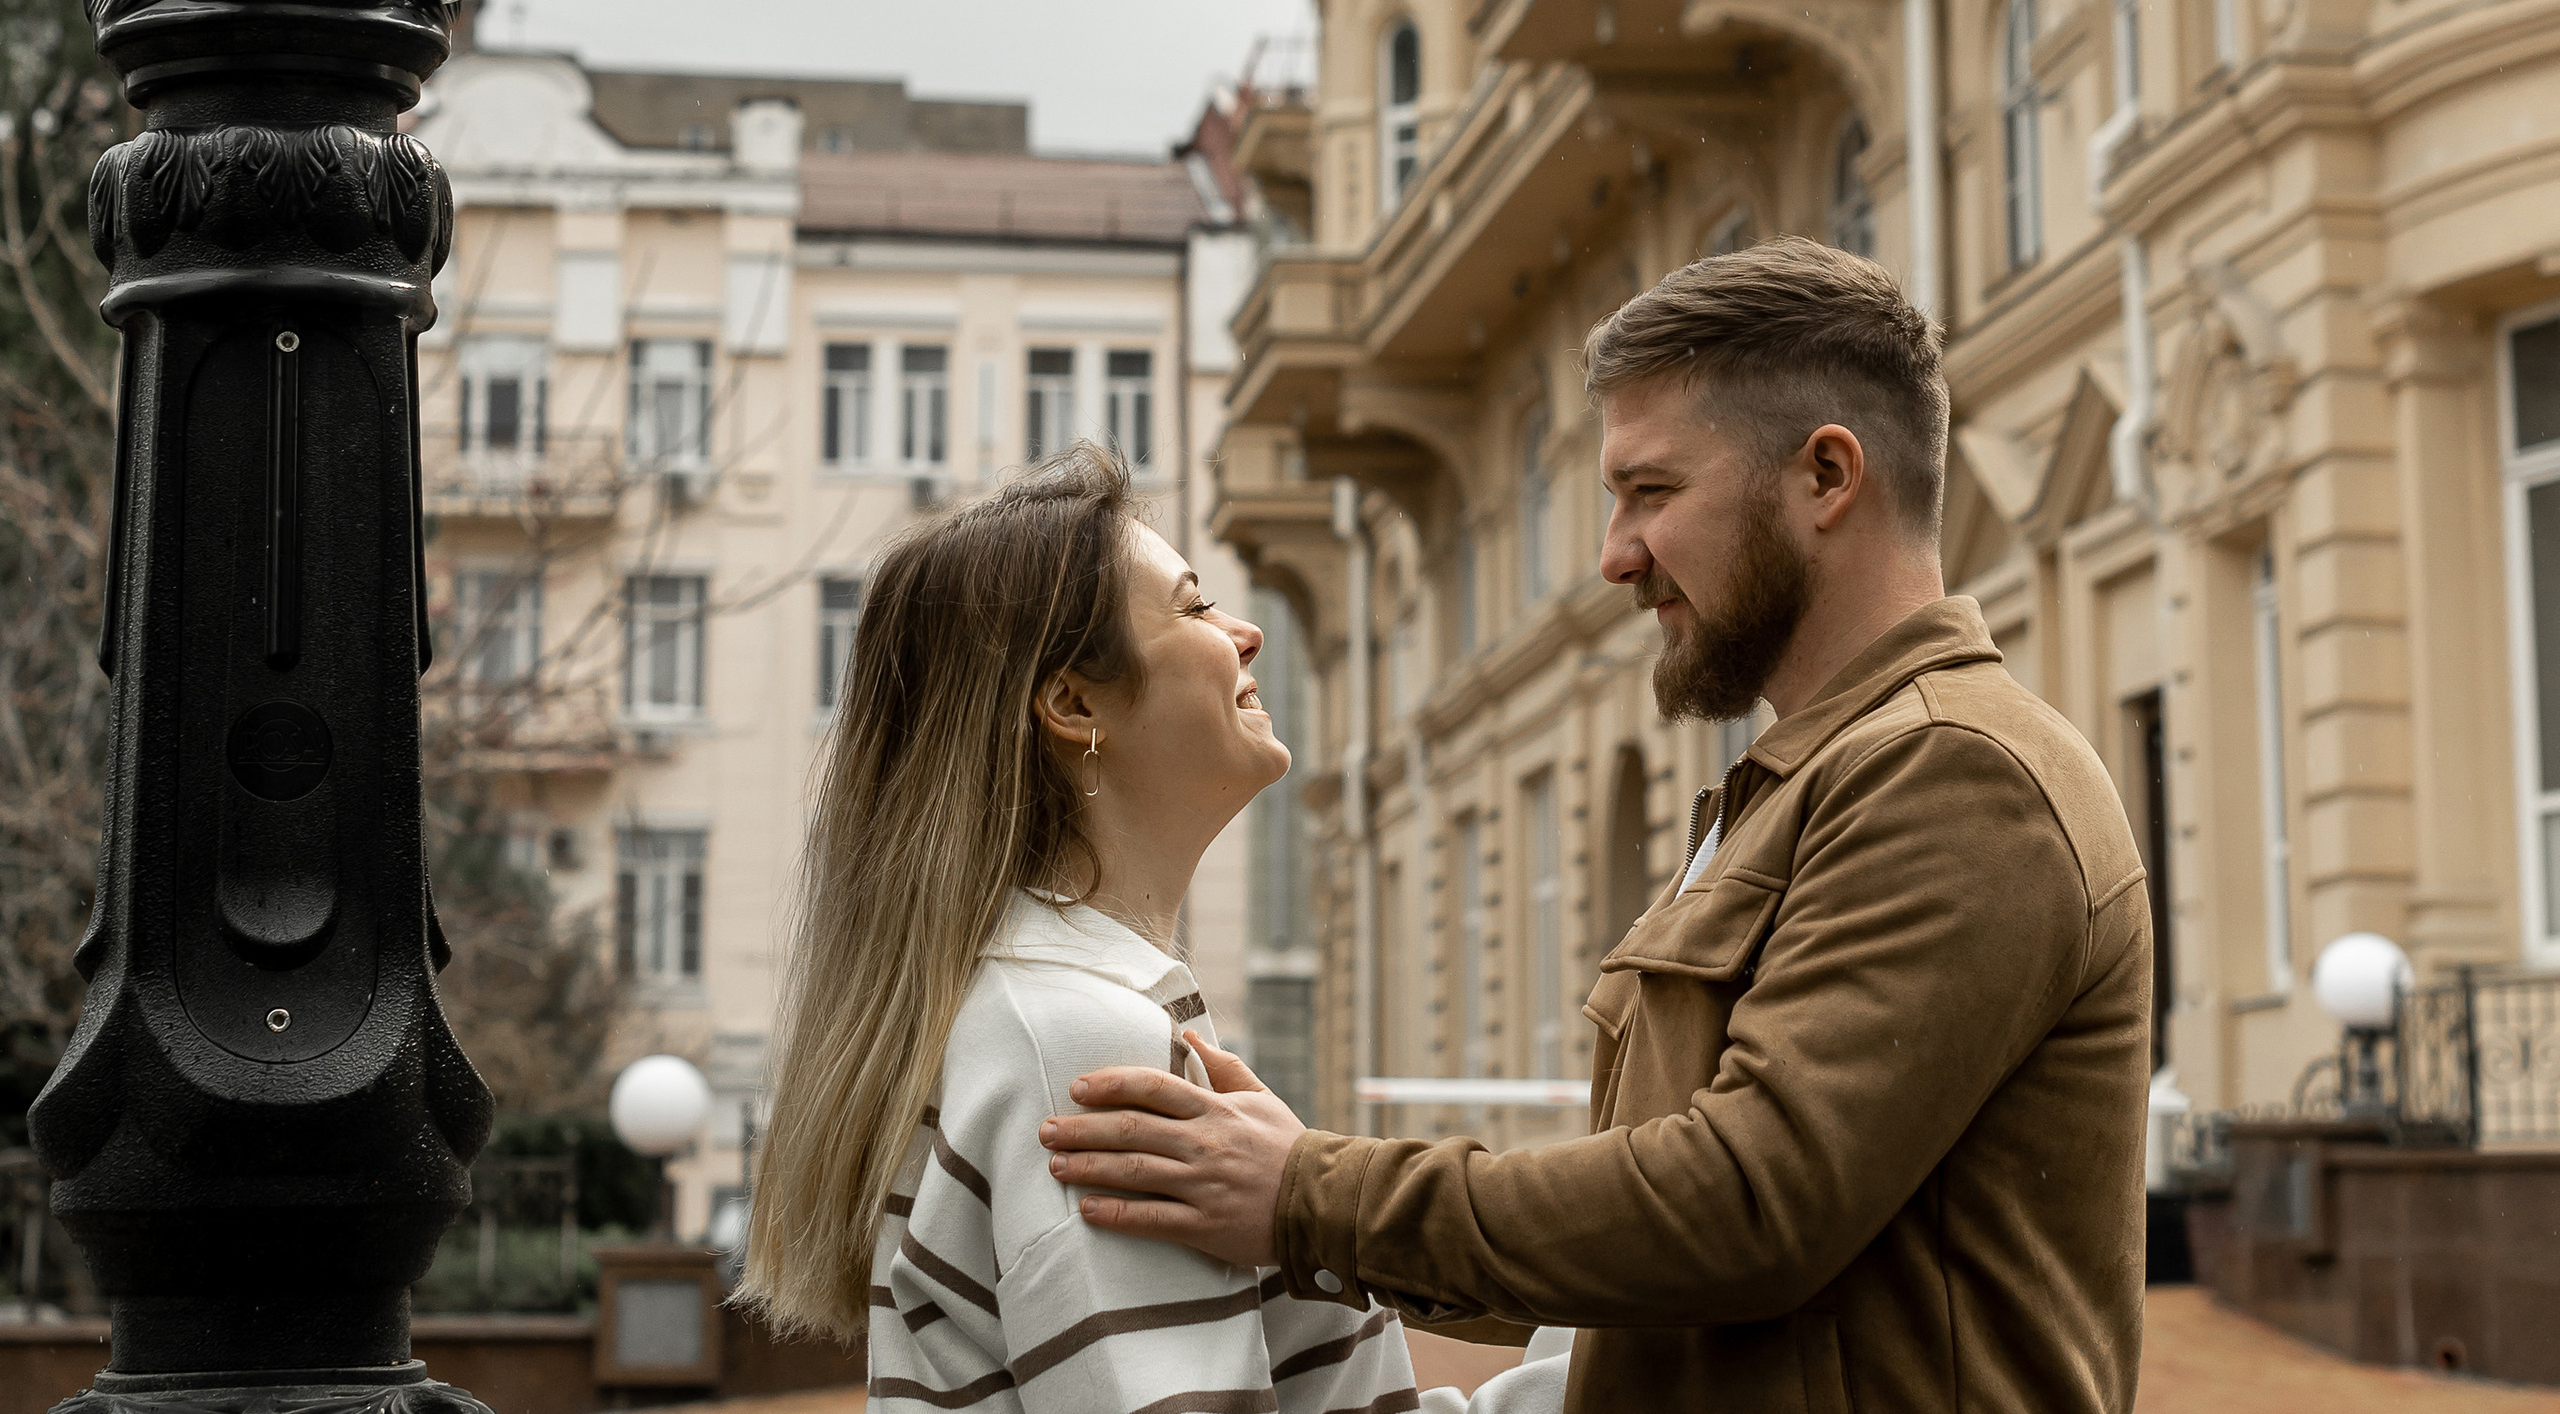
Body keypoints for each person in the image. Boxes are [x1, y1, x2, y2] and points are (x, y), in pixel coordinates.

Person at [1041, 239, 2153, 1412]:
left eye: (1650, 491)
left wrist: (1311, 1192)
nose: (1616, 555)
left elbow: (1742, 1207)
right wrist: (1301, 1190)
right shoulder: (1808, 782)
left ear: (1827, 476)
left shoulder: (1948, 771)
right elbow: (1640, 1241)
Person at [737, 443, 1455, 1413]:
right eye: (1196, 605)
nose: (1243, 633)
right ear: (1073, 704)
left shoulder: (1055, 1018)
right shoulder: (1075, 1048)